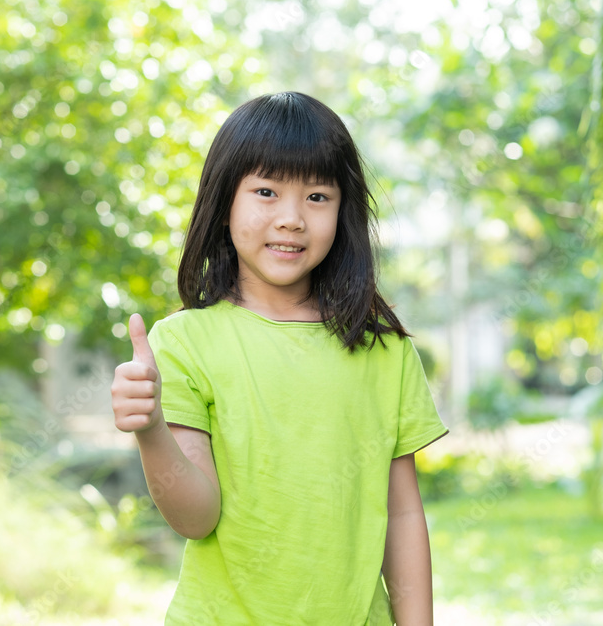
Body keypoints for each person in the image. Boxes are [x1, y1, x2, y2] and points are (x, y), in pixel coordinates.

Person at [110, 91, 449, 625]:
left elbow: (403, 515)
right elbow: (197, 518)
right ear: (224, 205)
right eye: (266, 191)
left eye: (317, 197)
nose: (291, 218)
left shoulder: (384, 349)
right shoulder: (182, 342)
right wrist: (151, 429)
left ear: (345, 212)